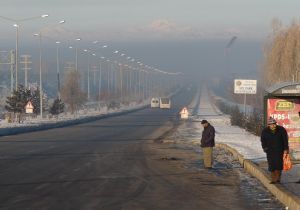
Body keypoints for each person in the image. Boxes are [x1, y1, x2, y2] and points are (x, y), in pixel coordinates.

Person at [261, 117, 289, 184]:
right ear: (269, 125)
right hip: (270, 150)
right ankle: (273, 179)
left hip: (279, 150)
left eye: (274, 124)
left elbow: (285, 140)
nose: (273, 125)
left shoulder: (281, 129)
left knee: (278, 164)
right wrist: (265, 148)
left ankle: (278, 178)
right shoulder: (265, 131)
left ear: (276, 124)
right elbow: (263, 140)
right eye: (271, 124)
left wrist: (286, 148)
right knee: (271, 164)